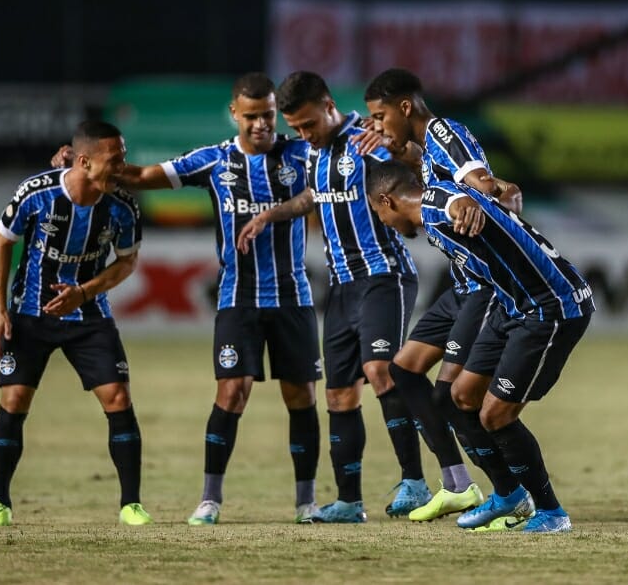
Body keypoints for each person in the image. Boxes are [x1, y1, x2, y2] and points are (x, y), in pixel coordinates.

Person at [52, 73, 323, 526]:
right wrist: (81, 165)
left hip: (293, 297)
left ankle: (307, 503)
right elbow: (139, 176)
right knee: (231, 394)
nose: (261, 125)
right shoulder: (213, 161)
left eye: (269, 115)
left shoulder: (302, 154)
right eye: (252, 116)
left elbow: (341, 177)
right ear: (235, 114)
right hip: (238, 299)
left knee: (301, 397)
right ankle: (210, 499)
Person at [237, 71, 435, 522]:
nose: (303, 135)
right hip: (342, 286)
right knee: (340, 396)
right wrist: (274, 212)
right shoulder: (311, 151)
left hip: (384, 275)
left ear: (329, 105)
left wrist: (401, 149)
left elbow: (421, 165)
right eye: (297, 129)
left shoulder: (368, 135)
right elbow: (314, 195)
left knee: (381, 370)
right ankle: (348, 501)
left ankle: (416, 484)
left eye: (309, 124)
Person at [365, 159, 594, 533]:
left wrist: (464, 205)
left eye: (379, 213)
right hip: (511, 304)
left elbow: (454, 202)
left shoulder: (438, 204)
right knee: (461, 396)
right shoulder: (434, 214)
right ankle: (507, 493)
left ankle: (552, 513)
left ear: (387, 201)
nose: (384, 222)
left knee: (495, 415)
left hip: (549, 307)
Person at [351, 67, 527, 522]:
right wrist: (402, 153)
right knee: (405, 370)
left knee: (453, 398)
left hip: (482, 287)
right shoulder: (427, 149)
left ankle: (510, 489)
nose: (376, 124)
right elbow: (439, 178)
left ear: (404, 106)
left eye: (379, 114)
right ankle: (459, 484)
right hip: (460, 283)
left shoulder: (445, 131)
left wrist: (491, 193)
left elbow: (481, 183)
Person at [0, 120, 153, 528]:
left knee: (118, 398)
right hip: (29, 314)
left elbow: (127, 262)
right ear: (84, 161)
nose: (122, 168)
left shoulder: (123, 206)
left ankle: (131, 504)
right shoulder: (36, 193)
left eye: (124, 159)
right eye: (114, 161)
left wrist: (85, 291)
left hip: (89, 316)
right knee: (14, 401)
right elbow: (2, 242)